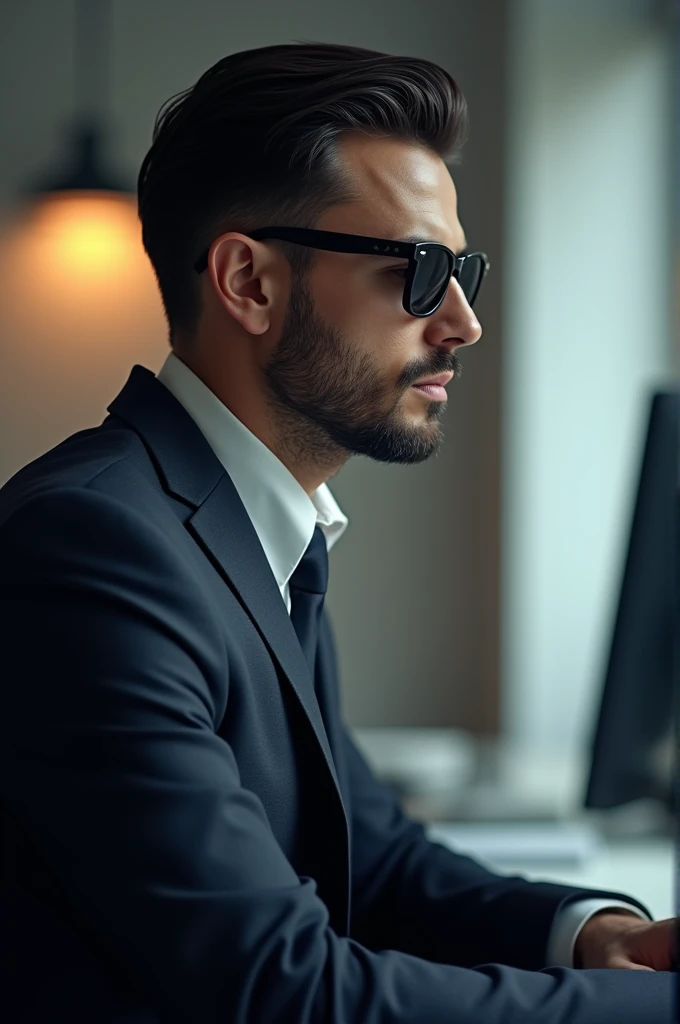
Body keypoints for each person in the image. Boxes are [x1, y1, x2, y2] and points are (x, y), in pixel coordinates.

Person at [0, 41, 676, 1024]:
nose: (461, 322)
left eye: (462, 271)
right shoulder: (95, 550)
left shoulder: (249, 526)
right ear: (250, 283)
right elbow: (281, 989)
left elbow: (372, 850)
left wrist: (592, 935)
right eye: (418, 270)